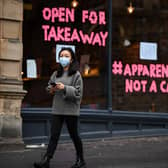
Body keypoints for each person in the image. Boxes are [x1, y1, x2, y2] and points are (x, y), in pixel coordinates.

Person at [34, 47, 86, 168]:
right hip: (57, 109)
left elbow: (78, 93)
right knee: (54, 135)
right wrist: (51, 89)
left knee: (74, 135)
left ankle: (81, 159)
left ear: (72, 59)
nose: (64, 58)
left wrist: (64, 88)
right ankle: (46, 160)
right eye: (62, 55)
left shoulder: (76, 75)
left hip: (71, 111)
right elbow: (48, 88)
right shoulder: (55, 74)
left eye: (67, 56)